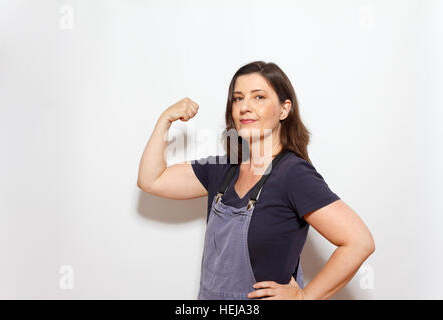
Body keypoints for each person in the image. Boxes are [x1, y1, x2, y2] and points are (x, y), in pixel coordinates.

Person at [137, 61, 375, 300]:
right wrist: (165, 120)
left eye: (259, 97)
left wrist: (303, 297)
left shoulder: (293, 175)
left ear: (284, 109)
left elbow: (359, 242)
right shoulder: (222, 169)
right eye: (238, 98)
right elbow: (152, 179)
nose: (244, 107)